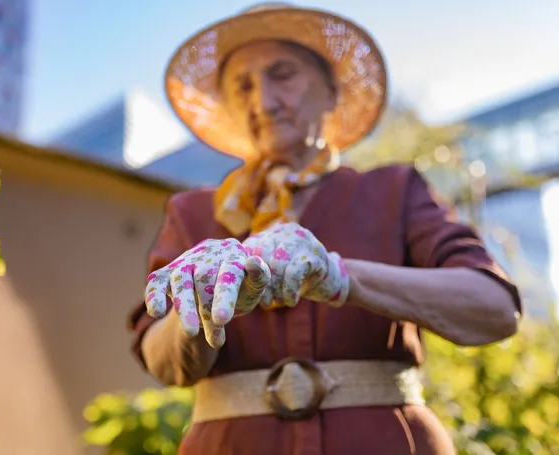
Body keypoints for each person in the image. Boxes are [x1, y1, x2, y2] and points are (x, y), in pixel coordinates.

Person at [129, 4, 522, 454]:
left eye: (283, 74)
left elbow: (494, 310)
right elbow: (162, 362)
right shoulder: (192, 213)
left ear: (333, 91)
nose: (263, 100)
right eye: (243, 86)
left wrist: (340, 276)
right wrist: (196, 308)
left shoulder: (394, 190)